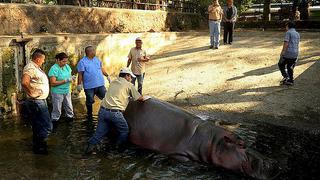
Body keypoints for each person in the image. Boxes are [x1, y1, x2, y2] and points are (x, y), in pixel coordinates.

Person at [85, 67, 146, 154]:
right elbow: (140, 98)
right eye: (130, 77)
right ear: (127, 76)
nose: (131, 79)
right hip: (115, 113)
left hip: (102, 111)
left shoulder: (113, 82)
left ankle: (88, 150)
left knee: (99, 134)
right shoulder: (129, 85)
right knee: (124, 130)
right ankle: (117, 149)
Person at [21, 49, 52, 154]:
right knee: (47, 126)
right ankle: (41, 146)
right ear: (38, 59)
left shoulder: (36, 67)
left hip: (39, 101)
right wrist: (32, 92)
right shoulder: (30, 68)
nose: (43, 61)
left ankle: (38, 148)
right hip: (37, 101)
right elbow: (24, 82)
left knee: (37, 125)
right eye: (43, 59)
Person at [77, 46, 111, 120]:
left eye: (94, 51)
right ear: (88, 52)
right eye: (93, 51)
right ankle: (89, 114)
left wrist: (107, 76)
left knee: (106, 98)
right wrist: (79, 84)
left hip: (100, 84)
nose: (94, 52)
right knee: (89, 101)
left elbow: (102, 69)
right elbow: (80, 74)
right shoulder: (82, 62)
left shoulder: (97, 60)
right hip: (89, 86)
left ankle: (108, 112)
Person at [48, 52, 75, 130]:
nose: (65, 63)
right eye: (63, 61)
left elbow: (69, 76)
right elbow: (53, 83)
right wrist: (65, 80)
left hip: (67, 90)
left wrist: (72, 78)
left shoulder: (67, 67)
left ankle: (70, 122)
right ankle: (54, 124)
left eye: (66, 61)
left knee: (69, 108)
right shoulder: (54, 68)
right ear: (58, 60)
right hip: (57, 92)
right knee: (57, 110)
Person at [278, 21, 300, 86]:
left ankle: (286, 76)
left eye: (286, 26)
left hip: (288, 53)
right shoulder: (297, 33)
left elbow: (286, 43)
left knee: (280, 64)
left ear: (288, 26)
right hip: (295, 53)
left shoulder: (288, 32)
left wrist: (282, 52)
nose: (286, 27)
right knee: (290, 67)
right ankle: (290, 80)